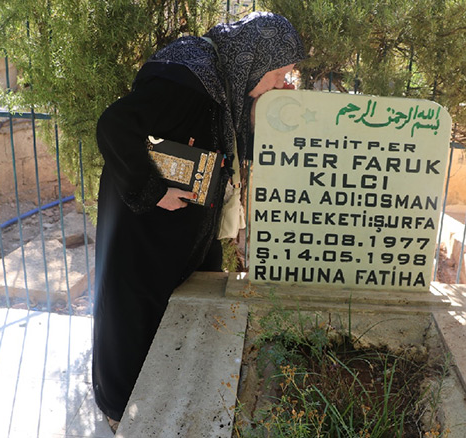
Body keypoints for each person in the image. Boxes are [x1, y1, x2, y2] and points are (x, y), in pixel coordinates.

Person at [92, 11, 305, 431]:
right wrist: (153, 191)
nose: (283, 82)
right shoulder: (186, 79)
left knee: (189, 307)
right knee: (133, 315)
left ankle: (174, 395)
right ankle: (120, 410)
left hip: (186, 227)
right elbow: (115, 126)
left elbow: (230, 143)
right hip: (143, 227)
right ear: (256, 60)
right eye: (279, 73)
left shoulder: (226, 79)